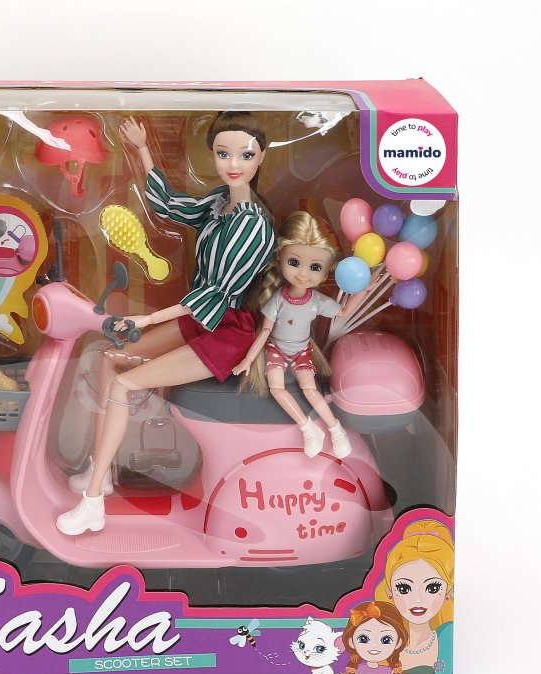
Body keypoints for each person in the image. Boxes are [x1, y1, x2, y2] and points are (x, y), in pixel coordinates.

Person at [57, 112, 275, 536]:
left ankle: (93, 503)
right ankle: (100, 471)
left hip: (225, 331)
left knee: (125, 383)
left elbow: (213, 295)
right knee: (109, 360)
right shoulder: (221, 203)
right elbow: (170, 206)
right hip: (199, 320)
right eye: (224, 153)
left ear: (261, 156)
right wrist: (142, 149)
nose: (234, 164)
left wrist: (149, 317)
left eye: (245, 155)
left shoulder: (252, 226)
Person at [233, 210, 359, 458]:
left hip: (302, 350)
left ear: (327, 271)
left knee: (310, 390)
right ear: (280, 256)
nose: (303, 274)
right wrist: (248, 359)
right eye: (294, 262)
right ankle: (308, 428)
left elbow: (343, 311)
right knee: (276, 388)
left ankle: (336, 430)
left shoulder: (317, 300)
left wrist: (364, 288)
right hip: (276, 349)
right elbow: (265, 330)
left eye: (315, 267)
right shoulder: (278, 299)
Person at [374, 519, 455, 674]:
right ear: (389, 591)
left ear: (449, 591)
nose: (418, 599)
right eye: (404, 588)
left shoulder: (446, 636)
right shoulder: (378, 639)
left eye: (432, 588)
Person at [338, 600, 408, 674]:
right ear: (351, 641)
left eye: (386, 640)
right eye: (363, 639)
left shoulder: (390, 672)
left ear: (398, 642)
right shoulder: (356, 672)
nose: (374, 646)